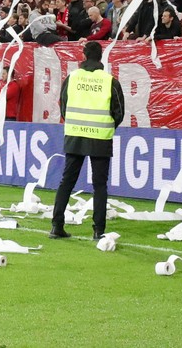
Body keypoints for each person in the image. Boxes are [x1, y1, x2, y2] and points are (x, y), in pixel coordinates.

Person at [51, 41, 125, 241]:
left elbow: (63, 105)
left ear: (84, 55)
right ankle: (98, 230)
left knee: (67, 181)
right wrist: (106, 125)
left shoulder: (72, 77)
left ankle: (57, 226)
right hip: (100, 137)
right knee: (100, 185)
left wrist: (76, 123)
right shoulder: (110, 81)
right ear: (101, 57)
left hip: (75, 134)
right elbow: (119, 112)